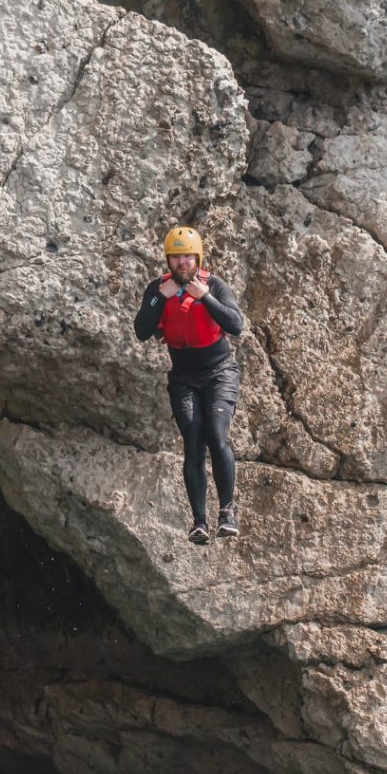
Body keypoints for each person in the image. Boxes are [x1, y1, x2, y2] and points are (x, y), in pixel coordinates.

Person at [136, 225, 245, 544]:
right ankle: (199, 522)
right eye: (176, 257)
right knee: (193, 439)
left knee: (215, 430)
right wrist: (158, 298)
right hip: (183, 377)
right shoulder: (158, 288)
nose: (182, 263)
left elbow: (235, 325)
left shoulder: (215, 285)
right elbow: (142, 330)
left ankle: (226, 512)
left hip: (219, 372)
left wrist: (205, 297)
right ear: (168, 261)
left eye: (188, 256)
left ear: (197, 258)